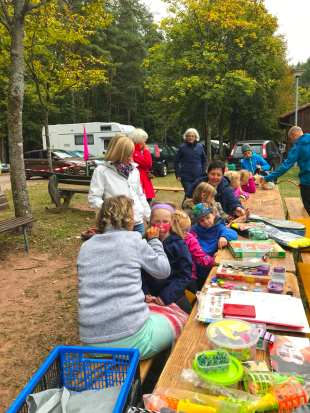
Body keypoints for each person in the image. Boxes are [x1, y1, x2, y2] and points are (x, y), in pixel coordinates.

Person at [77, 195, 173, 360]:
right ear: (129, 219)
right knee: (179, 320)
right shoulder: (133, 240)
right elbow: (163, 270)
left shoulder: (86, 246)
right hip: (132, 341)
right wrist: (155, 241)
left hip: (91, 342)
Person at [88, 134, 150, 235]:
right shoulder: (101, 171)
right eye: (127, 155)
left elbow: (140, 195)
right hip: (116, 224)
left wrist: (149, 216)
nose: (130, 158)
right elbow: (93, 198)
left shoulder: (134, 170)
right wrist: (113, 209)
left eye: (131, 154)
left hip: (137, 222)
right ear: (117, 153)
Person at [142, 202, 193, 314]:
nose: (160, 225)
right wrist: (144, 290)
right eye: (156, 221)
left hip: (173, 293)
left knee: (190, 319)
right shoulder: (144, 242)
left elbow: (185, 275)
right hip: (149, 294)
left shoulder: (179, 244)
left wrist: (168, 295)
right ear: (150, 220)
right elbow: (139, 270)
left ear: (172, 221)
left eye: (165, 221)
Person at [262, 126, 310, 216]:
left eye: (290, 138)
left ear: (294, 134)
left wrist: (267, 178)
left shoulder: (297, 148)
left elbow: (284, 167)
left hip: (307, 183)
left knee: (308, 211)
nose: (291, 141)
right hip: (306, 181)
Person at [191, 203, 238, 290]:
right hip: (197, 270)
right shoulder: (193, 230)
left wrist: (224, 237)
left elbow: (233, 233)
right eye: (201, 220)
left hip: (213, 268)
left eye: (208, 218)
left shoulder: (219, 228)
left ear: (213, 214)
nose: (205, 222)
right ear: (198, 221)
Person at [174, 209, 214, 293]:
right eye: (183, 230)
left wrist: (213, 261)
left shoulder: (190, 239)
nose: (187, 233)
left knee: (192, 294)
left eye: (188, 229)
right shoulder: (167, 240)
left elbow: (201, 257)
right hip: (171, 277)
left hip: (188, 276)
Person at [128, 128, 155, 204]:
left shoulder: (138, 152)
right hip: (140, 188)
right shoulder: (133, 152)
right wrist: (146, 151)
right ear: (138, 140)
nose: (145, 144)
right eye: (144, 141)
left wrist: (148, 173)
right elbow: (147, 163)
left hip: (144, 186)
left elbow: (143, 166)